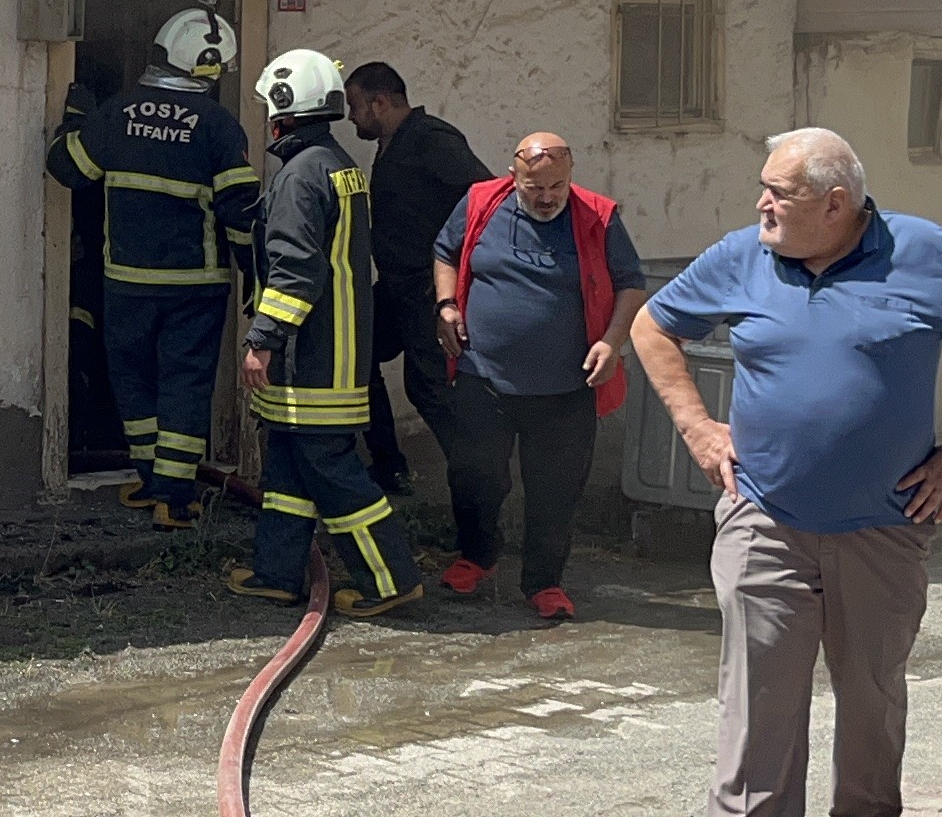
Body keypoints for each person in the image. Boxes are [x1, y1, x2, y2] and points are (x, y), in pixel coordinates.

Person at [633, 127, 942, 817]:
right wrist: (697, 429)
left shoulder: (925, 254)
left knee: (871, 689)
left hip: (884, 527)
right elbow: (653, 327)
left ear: (834, 205)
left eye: (778, 192)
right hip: (764, 515)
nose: (761, 204)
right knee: (758, 697)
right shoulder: (743, 255)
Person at [44, 10, 259, 530]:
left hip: (127, 281)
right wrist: (255, 278)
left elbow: (67, 167)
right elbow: (240, 213)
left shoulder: (117, 113)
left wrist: (75, 119)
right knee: (185, 383)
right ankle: (174, 497)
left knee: (133, 378)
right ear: (207, 65)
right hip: (195, 286)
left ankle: (148, 477)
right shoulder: (218, 126)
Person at [229, 50, 417, 617]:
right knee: (288, 466)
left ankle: (390, 579)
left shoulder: (300, 175)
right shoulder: (336, 164)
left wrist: (263, 339)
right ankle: (277, 574)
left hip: (313, 356)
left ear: (285, 108)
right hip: (333, 350)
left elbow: (294, 270)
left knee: (332, 472)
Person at [431, 131, 647, 623]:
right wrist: (445, 305)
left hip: (566, 387)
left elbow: (631, 284)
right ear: (514, 177)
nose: (547, 198)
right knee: (475, 475)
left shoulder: (598, 216)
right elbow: (446, 251)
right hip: (483, 376)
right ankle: (477, 557)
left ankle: (544, 582)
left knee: (555, 490)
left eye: (557, 187)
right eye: (535, 188)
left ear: (570, 178)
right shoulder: (480, 202)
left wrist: (612, 342)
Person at [347, 63, 490, 496]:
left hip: (427, 289)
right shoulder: (393, 143)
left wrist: (451, 274)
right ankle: (389, 466)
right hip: (397, 287)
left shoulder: (431, 139)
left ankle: (480, 487)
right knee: (358, 353)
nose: (351, 117)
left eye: (355, 106)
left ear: (379, 103)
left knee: (429, 388)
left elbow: (484, 198)